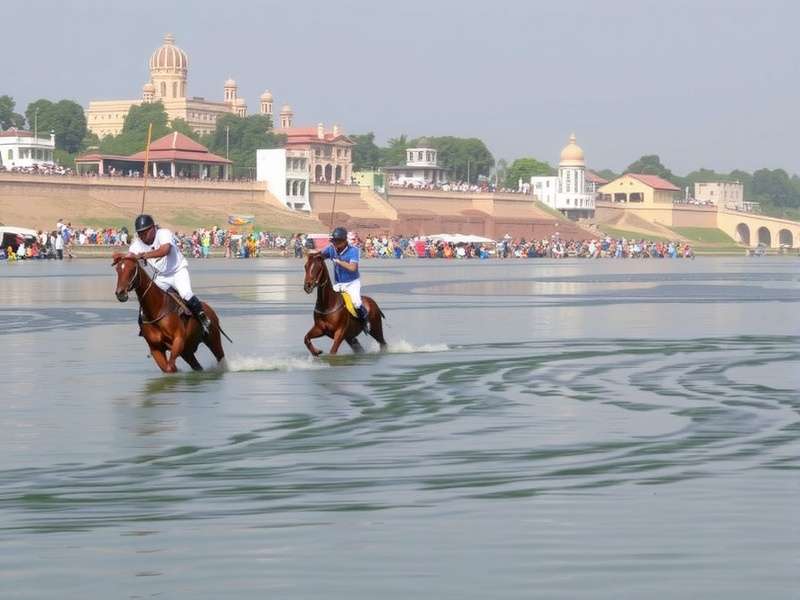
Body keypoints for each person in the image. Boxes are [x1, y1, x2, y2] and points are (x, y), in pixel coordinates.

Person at [127, 214, 211, 335]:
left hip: (178, 271)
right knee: (147, 298)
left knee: (186, 294)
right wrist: (122, 258)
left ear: (153, 228)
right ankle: (146, 328)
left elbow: (165, 250)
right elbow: (129, 258)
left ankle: (204, 320)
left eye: (145, 232)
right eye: (140, 233)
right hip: (161, 277)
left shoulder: (163, 233)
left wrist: (144, 255)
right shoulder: (137, 244)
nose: (142, 236)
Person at [319, 226, 369, 332]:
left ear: (344, 241)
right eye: (333, 241)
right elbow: (321, 256)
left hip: (352, 283)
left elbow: (353, 267)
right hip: (338, 283)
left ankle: (365, 322)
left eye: (337, 242)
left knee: (356, 302)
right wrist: (316, 254)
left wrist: (339, 261)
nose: (335, 244)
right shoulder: (331, 248)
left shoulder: (353, 250)